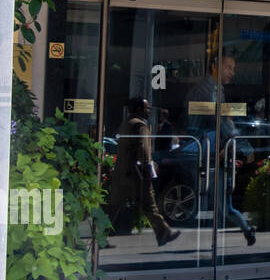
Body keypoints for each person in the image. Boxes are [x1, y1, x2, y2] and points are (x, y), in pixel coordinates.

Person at [185, 52, 256, 247]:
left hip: (211, 155)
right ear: (215, 66)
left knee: (221, 205)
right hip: (206, 154)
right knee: (215, 203)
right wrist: (243, 148)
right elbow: (223, 124)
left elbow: (225, 122)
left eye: (233, 68)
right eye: (229, 67)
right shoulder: (209, 90)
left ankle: (221, 240)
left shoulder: (216, 89)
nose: (232, 72)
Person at [105, 97, 181, 247]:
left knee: (112, 207)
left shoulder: (127, 122)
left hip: (121, 171)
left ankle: (98, 237)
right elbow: (144, 151)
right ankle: (163, 233)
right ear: (139, 109)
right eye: (146, 108)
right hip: (136, 173)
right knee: (149, 205)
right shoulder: (140, 126)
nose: (149, 111)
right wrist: (149, 171)